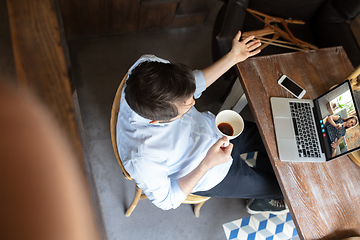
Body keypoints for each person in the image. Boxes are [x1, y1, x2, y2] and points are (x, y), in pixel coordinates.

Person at [116, 31, 287, 214]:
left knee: (276, 138)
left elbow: (193, 85)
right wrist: (207, 163)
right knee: (282, 189)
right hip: (211, 172)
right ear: (156, 121)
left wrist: (233, 56)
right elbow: (167, 200)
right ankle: (259, 200)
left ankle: (262, 175)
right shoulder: (142, 156)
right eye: (187, 108)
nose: (194, 102)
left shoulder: (147, 67)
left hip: (213, 128)